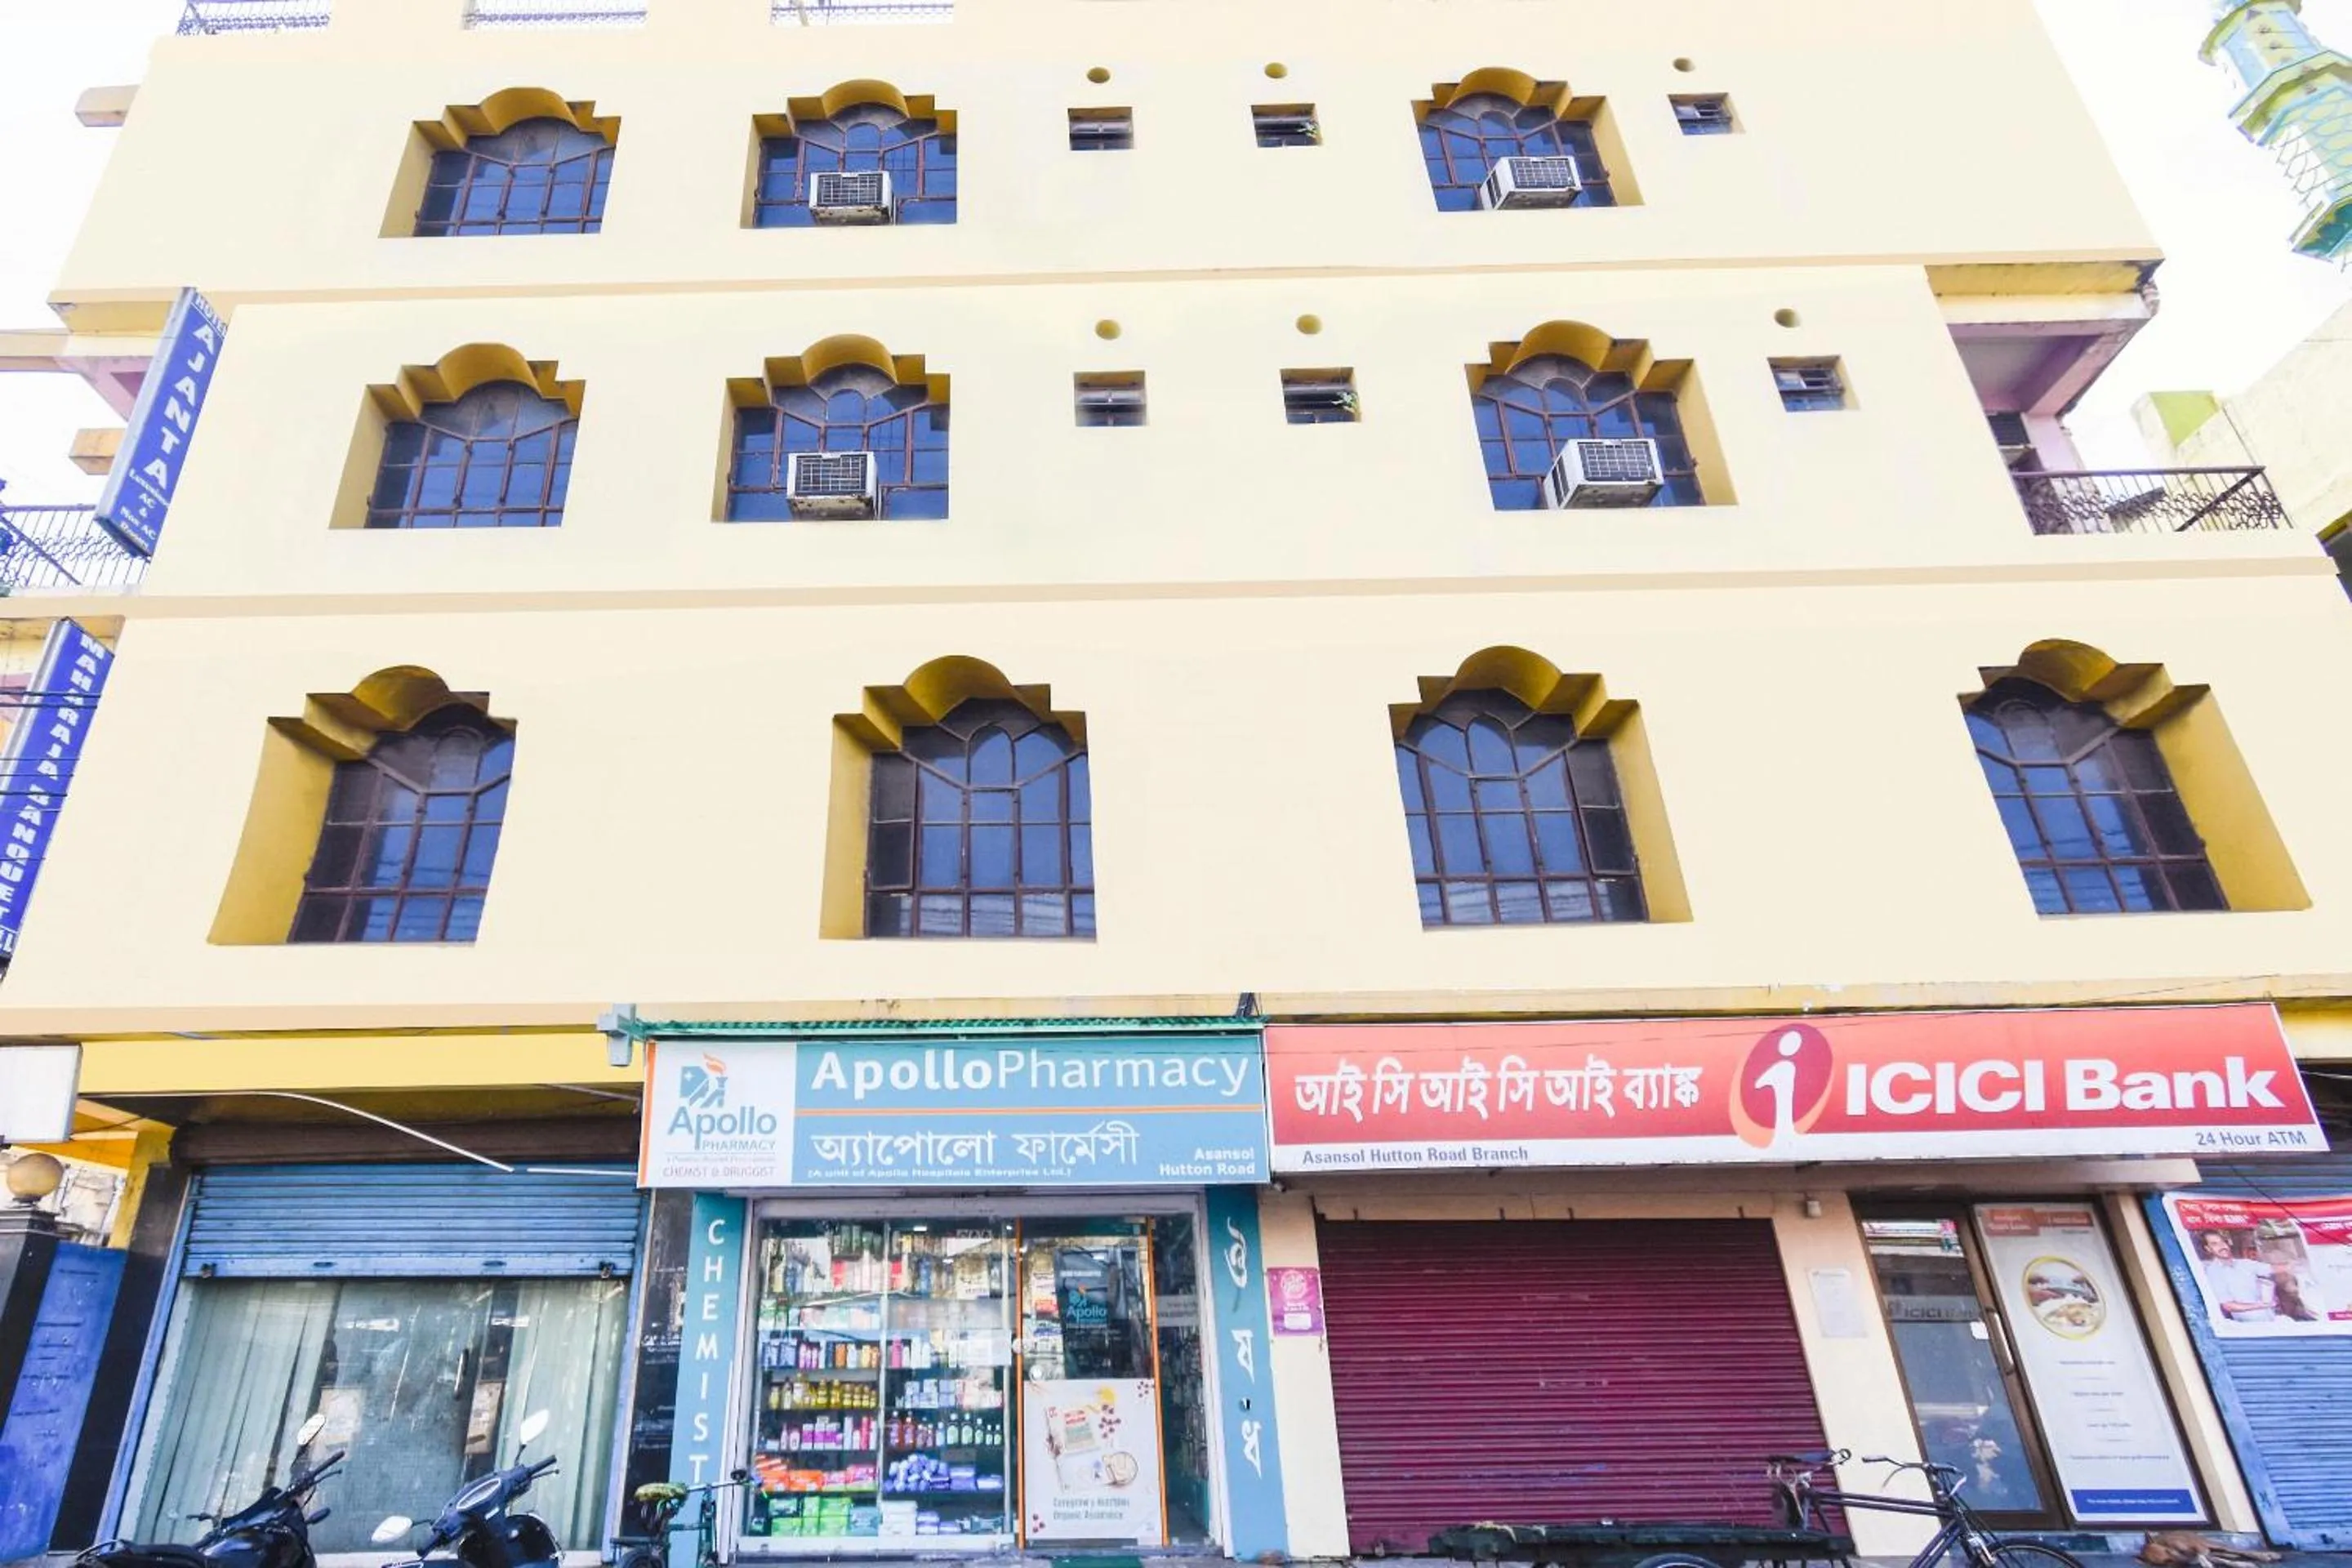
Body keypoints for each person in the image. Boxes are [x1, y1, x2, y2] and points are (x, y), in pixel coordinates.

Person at [2197, 1230, 2274, 1321]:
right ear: (2208, 1249)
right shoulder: (2213, 1272)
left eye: (2223, 1242)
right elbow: (2228, 1305)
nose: (2222, 1246)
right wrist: (2260, 1305)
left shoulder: (2244, 1264)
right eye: (2215, 1244)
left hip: (2270, 1319)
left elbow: (2272, 1269)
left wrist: (2292, 1266)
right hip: (2249, 1326)